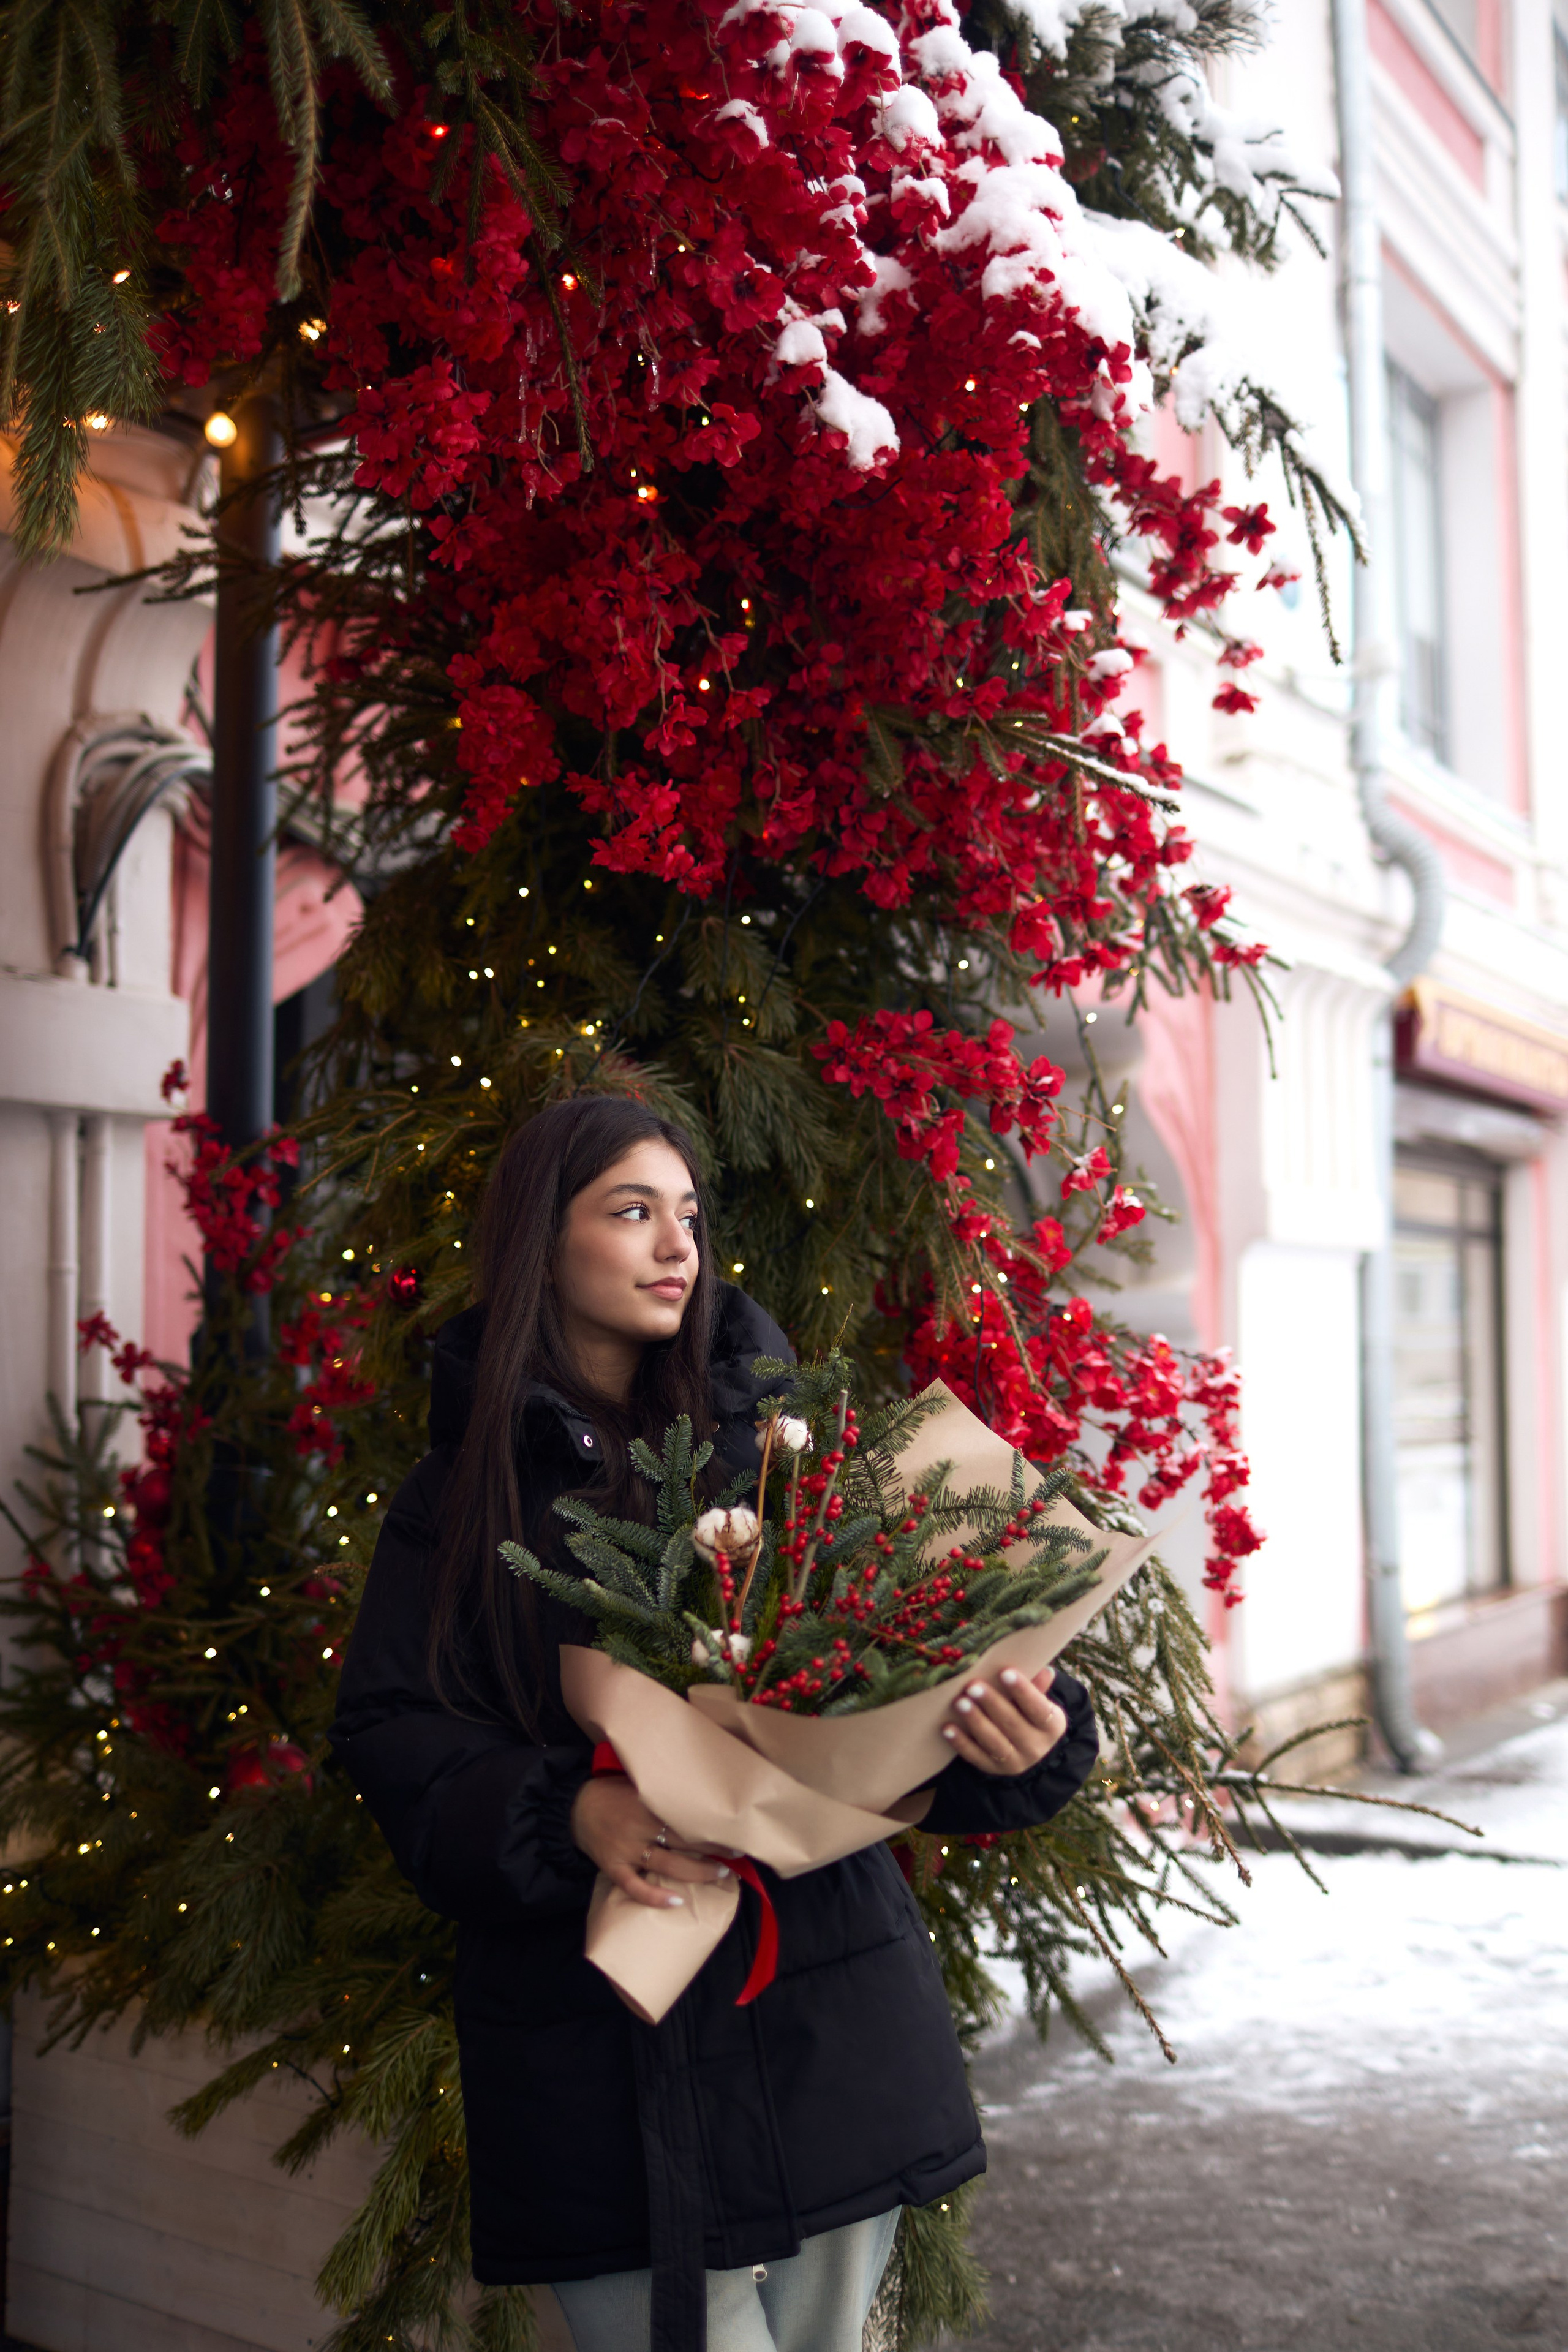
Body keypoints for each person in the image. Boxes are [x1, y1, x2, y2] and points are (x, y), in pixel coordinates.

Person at [331, 1095, 1100, 2352]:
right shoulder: (457, 1497)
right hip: (591, 2055)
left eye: (687, 1214)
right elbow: (392, 1734)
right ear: (541, 1241)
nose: (675, 1244)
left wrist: (1028, 1734)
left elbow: (907, 1667)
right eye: (631, 1212)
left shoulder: (789, 1459)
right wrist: (567, 1811)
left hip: (822, 2021)